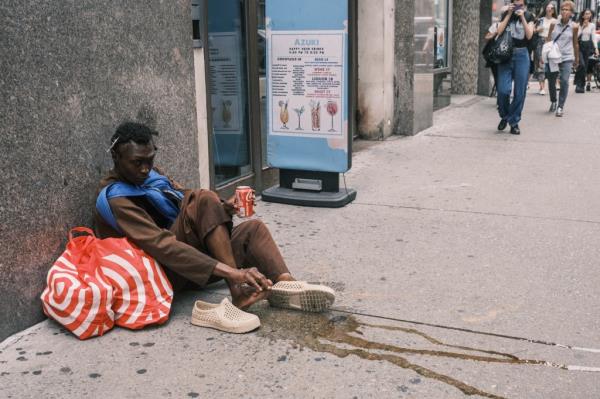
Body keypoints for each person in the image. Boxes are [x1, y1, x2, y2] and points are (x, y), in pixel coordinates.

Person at [94, 122, 335, 319]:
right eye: (137, 162)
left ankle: (285, 284)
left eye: (150, 160)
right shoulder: (117, 199)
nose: (146, 169)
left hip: (188, 262)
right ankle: (238, 292)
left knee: (253, 229)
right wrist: (234, 273)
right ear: (116, 156)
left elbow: (186, 203)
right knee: (204, 198)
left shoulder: (152, 178)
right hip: (162, 272)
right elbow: (162, 245)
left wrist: (225, 209)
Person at [493, 0, 535, 135]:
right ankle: (505, 116)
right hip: (506, 54)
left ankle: (514, 121)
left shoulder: (529, 16)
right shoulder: (506, 13)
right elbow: (499, 31)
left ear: (524, 5)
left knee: (519, 92)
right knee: (503, 90)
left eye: (520, 5)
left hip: (522, 55)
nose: (518, 7)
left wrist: (522, 16)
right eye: (515, 4)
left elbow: (529, 35)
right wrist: (509, 14)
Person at [545, 1, 579, 117]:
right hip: (554, 56)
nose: (564, 11)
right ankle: (553, 100)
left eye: (567, 9)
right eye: (563, 9)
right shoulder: (554, 24)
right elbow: (548, 39)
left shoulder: (574, 26)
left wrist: (577, 58)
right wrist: (544, 55)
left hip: (567, 57)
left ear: (571, 13)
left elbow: (575, 43)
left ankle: (560, 106)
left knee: (564, 81)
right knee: (551, 80)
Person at [533, 3, 558, 95]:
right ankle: (542, 87)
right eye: (548, 7)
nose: (550, 9)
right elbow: (533, 30)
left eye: (552, 8)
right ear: (545, 9)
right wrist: (537, 30)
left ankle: (554, 83)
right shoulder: (540, 20)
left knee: (552, 63)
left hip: (551, 43)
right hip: (541, 42)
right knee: (541, 63)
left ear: (554, 10)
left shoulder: (556, 21)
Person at [574, 9, 598, 92]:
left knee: (585, 67)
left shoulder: (592, 25)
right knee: (582, 65)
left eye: (589, 14)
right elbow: (576, 37)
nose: (588, 15)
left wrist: (596, 48)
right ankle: (578, 84)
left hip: (587, 47)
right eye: (586, 14)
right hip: (579, 46)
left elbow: (594, 38)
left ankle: (581, 86)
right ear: (583, 15)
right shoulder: (578, 25)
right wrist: (583, 27)